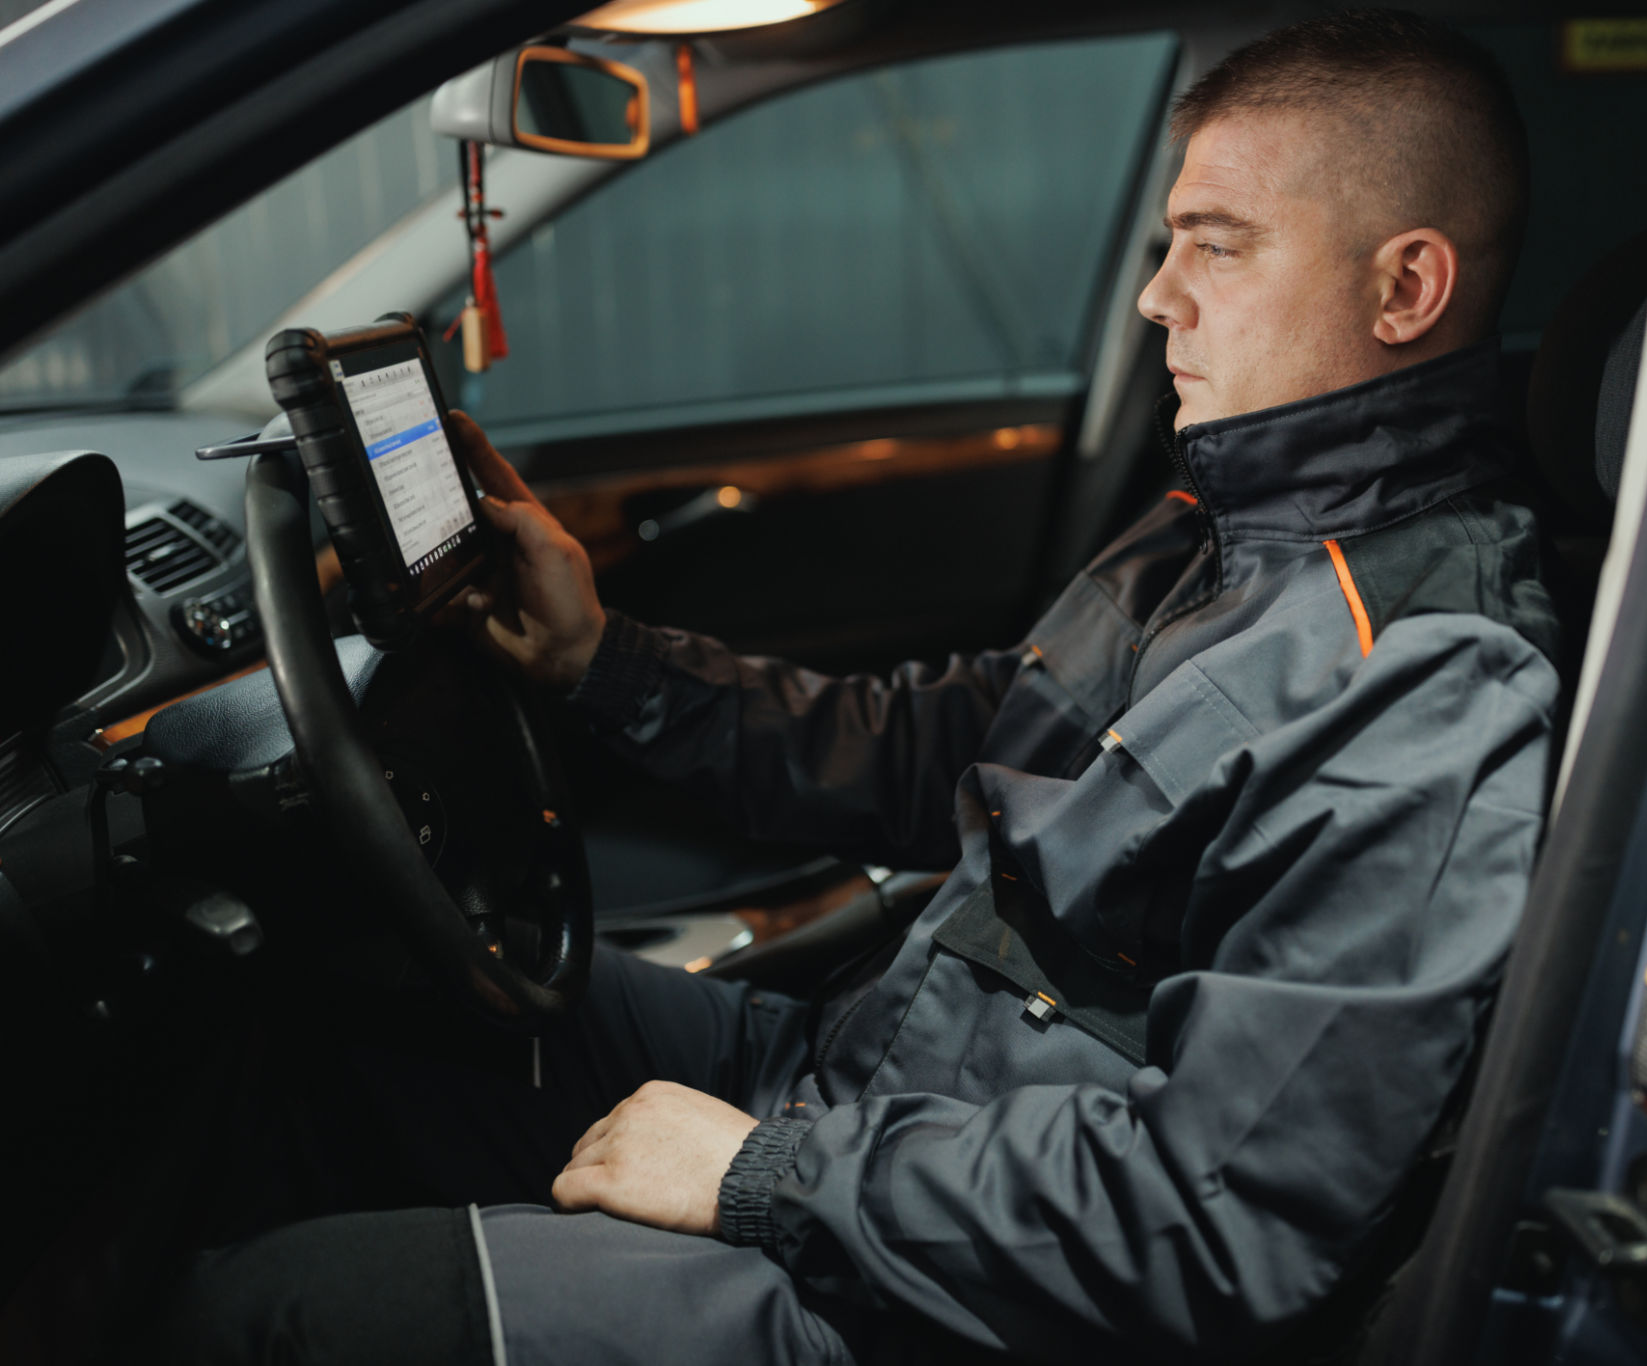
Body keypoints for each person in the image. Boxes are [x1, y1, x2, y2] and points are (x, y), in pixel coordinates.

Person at [162, 10, 1557, 1363]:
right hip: (868, 1088)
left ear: (1405, 288)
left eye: (1220, 245)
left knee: (269, 1319)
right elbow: (948, 745)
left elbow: (1211, 1228)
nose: (1157, 295)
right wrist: (603, 661)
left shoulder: (1431, 687)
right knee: (358, 1011)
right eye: (1167, 241)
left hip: (932, 1289)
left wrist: (767, 1174)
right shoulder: (1221, 529)